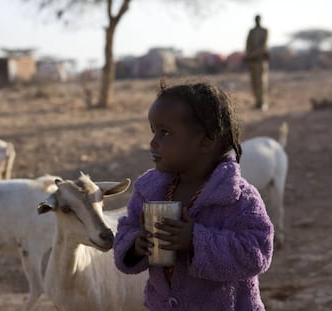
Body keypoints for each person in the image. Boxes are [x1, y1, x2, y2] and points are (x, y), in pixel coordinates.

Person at [113, 81, 274, 310]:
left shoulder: (239, 198)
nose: (153, 143)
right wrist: (137, 245)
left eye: (165, 133)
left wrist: (196, 241)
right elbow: (126, 230)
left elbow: (256, 253)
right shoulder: (148, 190)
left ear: (206, 141)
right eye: (153, 131)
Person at [245, 14, 269, 111]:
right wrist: (248, 55)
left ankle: (262, 102)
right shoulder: (251, 31)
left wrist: (252, 55)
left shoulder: (265, 31)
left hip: (260, 61)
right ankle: (257, 102)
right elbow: (247, 43)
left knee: (261, 82)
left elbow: (263, 46)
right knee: (254, 82)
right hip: (252, 61)